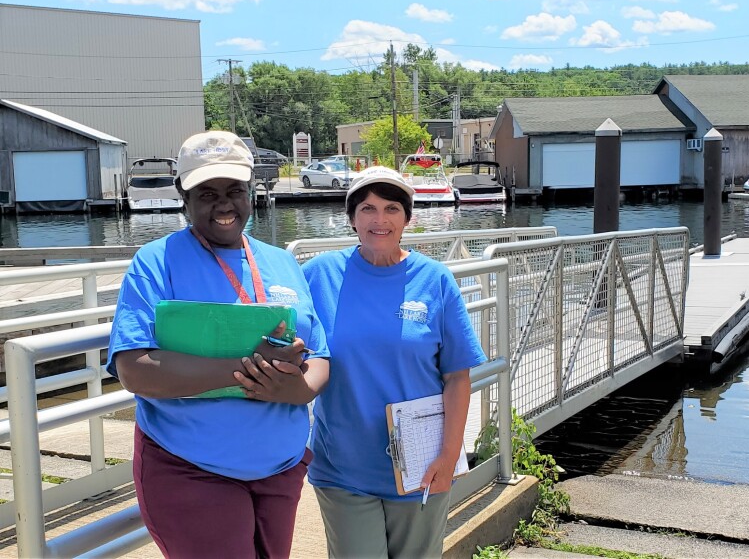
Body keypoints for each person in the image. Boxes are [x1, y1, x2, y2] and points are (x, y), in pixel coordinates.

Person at [107, 130, 330, 559]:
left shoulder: (280, 260)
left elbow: (319, 353)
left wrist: (301, 389)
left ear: (251, 192)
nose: (224, 204)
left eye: (235, 190)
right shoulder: (156, 262)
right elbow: (134, 368)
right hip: (192, 468)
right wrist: (249, 369)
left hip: (280, 468)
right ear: (182, 195)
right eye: (206, 192)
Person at [302, 166, 486, 558]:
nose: (379, 220)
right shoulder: (319, 275)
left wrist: (449, 454)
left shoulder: (434, 279)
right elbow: (290, 351)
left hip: (421, 463)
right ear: (351, 218)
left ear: (408, 217)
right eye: (367, 208)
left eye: (391, 209)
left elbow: (457, 376)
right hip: (342, 465)